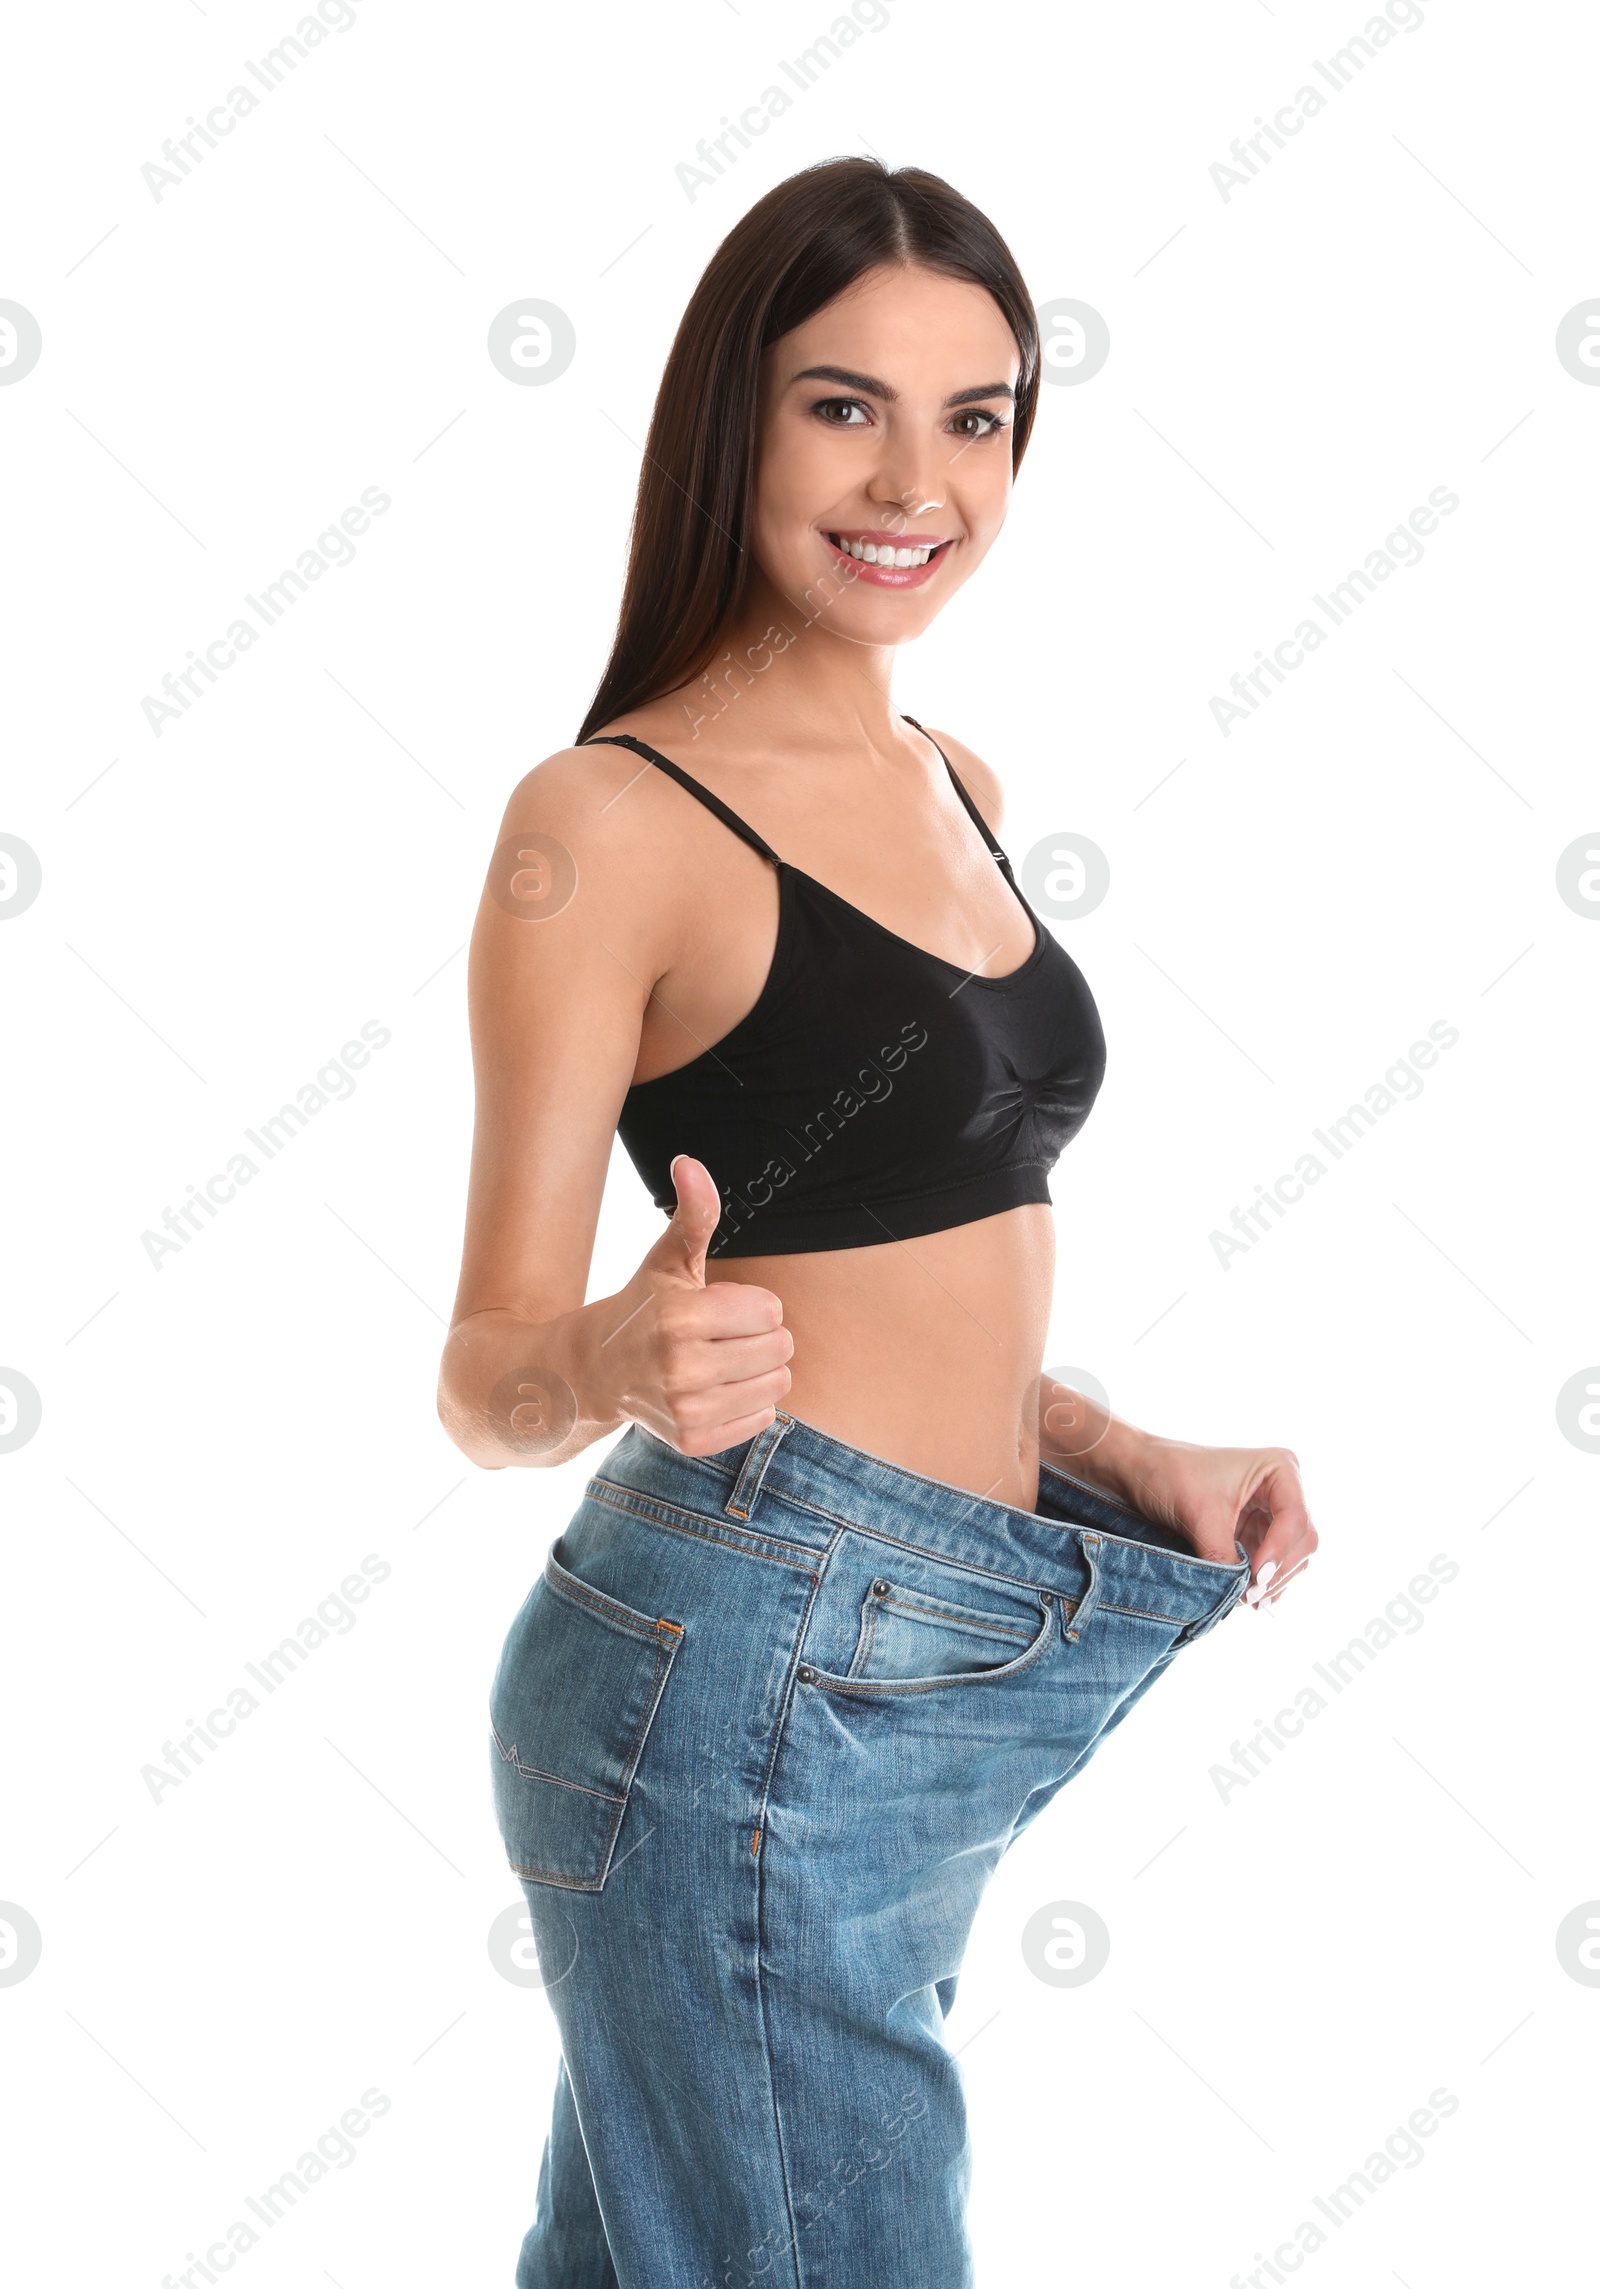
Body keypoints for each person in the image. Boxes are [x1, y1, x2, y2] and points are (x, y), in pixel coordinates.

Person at [438, 156, 1318, 2289]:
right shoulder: (605, 823)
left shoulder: (959, 779)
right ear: (732, 416)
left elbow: (916, 1266)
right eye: (844, 406)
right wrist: (608, 1356)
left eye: (977, 414)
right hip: (742, 1664)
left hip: (928, 1635)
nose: (913, 478)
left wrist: (1109, 1451)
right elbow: (484, 1376)